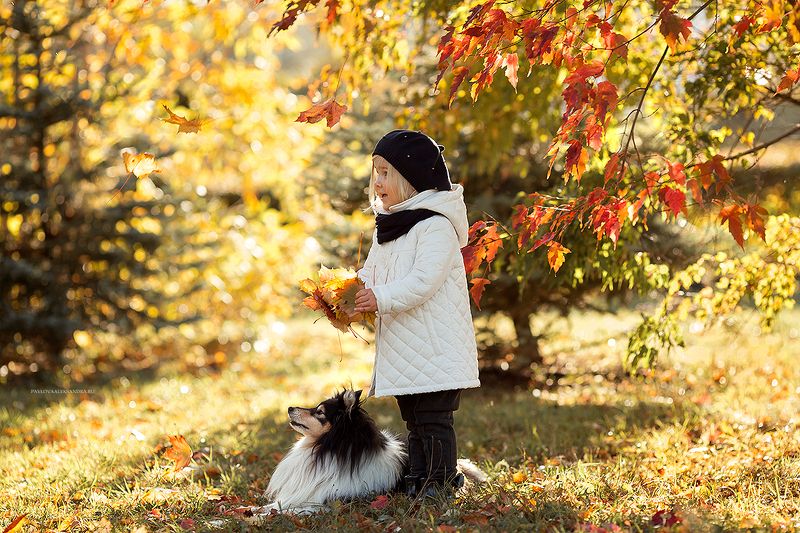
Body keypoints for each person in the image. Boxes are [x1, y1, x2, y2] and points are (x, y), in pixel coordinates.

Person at [353, 129, 480, 498]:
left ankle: (440, 482)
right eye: (375, 172)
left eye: (386, 173)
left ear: (413, 179)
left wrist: (379, 298)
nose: (378, 182)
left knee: (434, 420)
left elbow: (423, 282)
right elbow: (372, 273)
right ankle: (418, 478)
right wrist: (352, 291)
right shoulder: (390, 226)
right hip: (407, 347)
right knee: (413, 419)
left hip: (436, 346)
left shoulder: (435, 226)